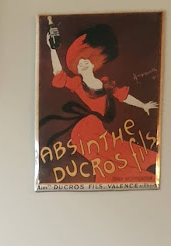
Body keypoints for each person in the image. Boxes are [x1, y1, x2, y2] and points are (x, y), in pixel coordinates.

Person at [41, 23, 159, 183]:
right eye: (79, 63)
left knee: (110, 159)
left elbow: (124, 97)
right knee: (113, 152)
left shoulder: (106, 84)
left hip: (99, 130)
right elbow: (58, 73)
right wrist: (52, 49)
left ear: (94, 63)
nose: (83, 62)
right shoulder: (77, 84)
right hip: (84, 132)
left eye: (86, 60)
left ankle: (121, 178)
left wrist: (143, 105)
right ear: (77, 69)